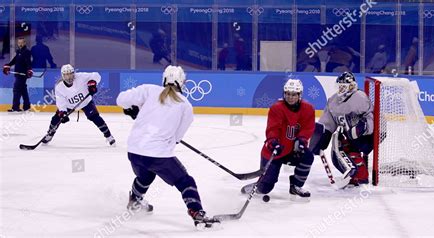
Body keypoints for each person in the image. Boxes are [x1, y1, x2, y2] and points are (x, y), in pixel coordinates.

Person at [116, 65, 220, 229]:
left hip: (134, 151)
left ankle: (135, 201)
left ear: (164, 79)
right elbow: (177, 138)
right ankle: (197, 212)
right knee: (185, 181)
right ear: (182, 83)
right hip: (158, 155)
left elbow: (120, 99)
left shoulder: (149, 90)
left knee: (146, 176)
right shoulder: (185, 105)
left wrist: (132, 108)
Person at [244, 79, 315, 199]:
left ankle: (296, 186)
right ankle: (254, 187)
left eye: (293, 94)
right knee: (266, 187)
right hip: (276, 149)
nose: (290, 97)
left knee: (307, 156)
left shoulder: (308, 109)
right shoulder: (276, 108)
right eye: (287, 93)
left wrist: (302, 140)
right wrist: (272, 141)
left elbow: (308, 127)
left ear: (299, 95)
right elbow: (273, 128)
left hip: (292, 150)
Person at [309, 72, 374, 186]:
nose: (341, 89)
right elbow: (327, 122)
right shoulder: (333, 100)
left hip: (368, 136)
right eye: (339, 86)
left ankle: (360, 175)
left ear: (352, 86)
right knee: (336, 147)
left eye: (344, 86)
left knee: (345, 143)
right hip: (350, 135)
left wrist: (361, 128)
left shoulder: (360, 98)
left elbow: (371, 119)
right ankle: (354, 173)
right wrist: (321, 137)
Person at [41, 64, 115, 146]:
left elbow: (97, 75)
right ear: (62, 76)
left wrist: (92, 83)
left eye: (70, 74)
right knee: (56, 118)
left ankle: (109, 136)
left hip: (85, 102)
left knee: (95, 117)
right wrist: (62, 112)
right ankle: (49, 135)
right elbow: (61, 101)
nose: (69, 77)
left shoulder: (81, 77)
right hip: (70, 105)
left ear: (74, 73)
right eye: (66, 75)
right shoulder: (59, 87)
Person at [3, 37, 33, 112]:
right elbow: (15, 60)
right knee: (23, 90)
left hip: (22, 74)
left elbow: (28, 62)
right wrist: (8, 65)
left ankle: (15, 107)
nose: (20, 44)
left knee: (16, 89)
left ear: (24, 43)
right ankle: (27, 106)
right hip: (18, 74)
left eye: (21, 42)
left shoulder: (26, 52)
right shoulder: (19, 51)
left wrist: (29, 70)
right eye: (19, 43)